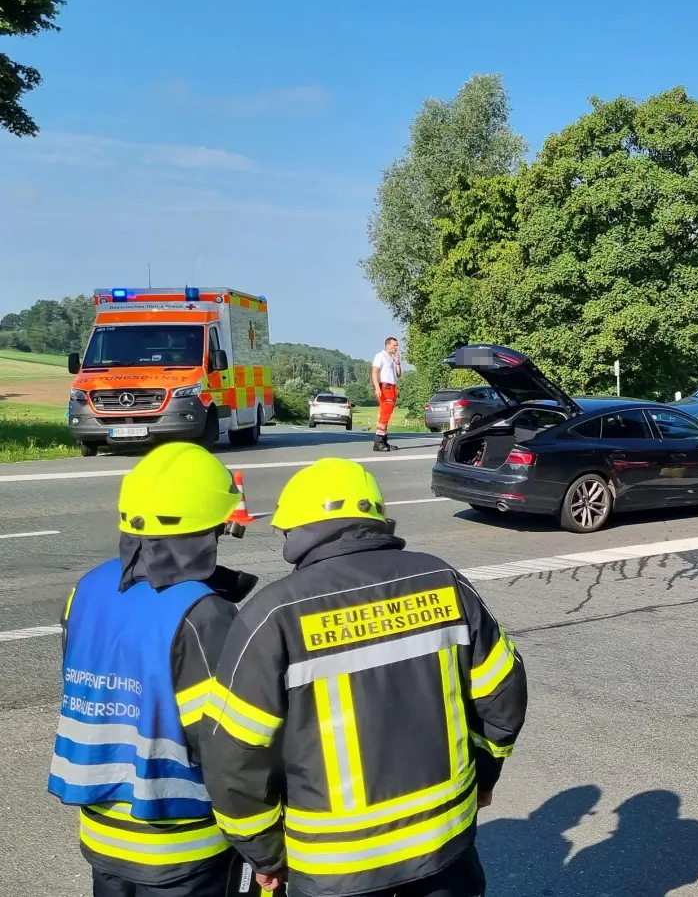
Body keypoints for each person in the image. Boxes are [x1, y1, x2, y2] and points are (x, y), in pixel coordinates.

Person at [203, 458, 528, 897]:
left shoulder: (274, 614)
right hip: (443, 844)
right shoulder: (441, 579)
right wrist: (485, 774)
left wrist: (263, 852)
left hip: (333, 867)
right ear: (374, 519)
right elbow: (503, 692)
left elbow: (234, 752)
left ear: (299, 531)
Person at [47, 442, 260, 897]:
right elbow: (228, 748)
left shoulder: (86, 588)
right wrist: (263, 845)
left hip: (102, 833)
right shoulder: (204, 615)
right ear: (210, 527)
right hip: (181, 844)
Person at [371, 336, 402, 452]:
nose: (396, 347)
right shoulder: (380, 356)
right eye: (394, 345)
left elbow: (398, 375)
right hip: (385, 387)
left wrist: (398, 362)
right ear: (388, 345)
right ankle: (378, 441)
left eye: (397, 345)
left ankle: (384, 440)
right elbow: (375, 372)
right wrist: (377, 387)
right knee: (384, 415)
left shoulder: (392, 358)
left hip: (393, 387)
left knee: (387, 415)